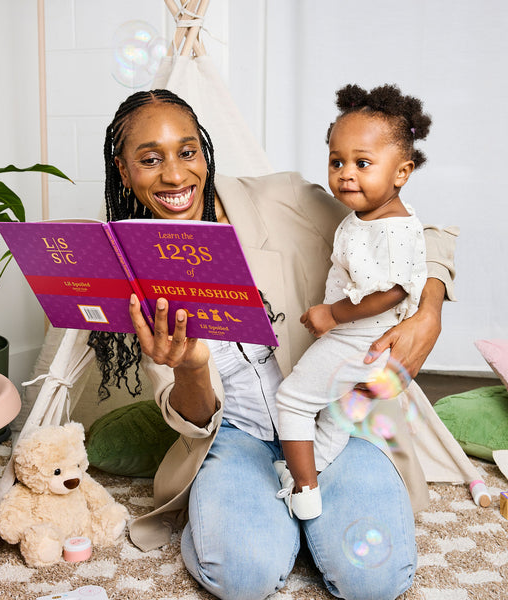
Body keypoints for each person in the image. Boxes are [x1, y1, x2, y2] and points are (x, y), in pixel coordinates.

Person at [87, 88, 457, 600]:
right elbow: (192, 417)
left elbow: (423, 233)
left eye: (188, 152)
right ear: (124, 171)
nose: (174, 176)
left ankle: (300, 516)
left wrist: (429, 312)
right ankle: (269, 522)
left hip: (334, 417)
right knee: (240, 579)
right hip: (235, 434)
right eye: (150, 160)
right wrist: (193, 367)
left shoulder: (281, 198)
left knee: (375, 582)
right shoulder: (127, 262)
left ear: (205, 152)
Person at [274, 84, 431, 521]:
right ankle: (313, 469)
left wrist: (331, 314)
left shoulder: (394, 228)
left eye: (363, 163)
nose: (346, 173)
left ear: (401, 172)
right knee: (341, 414)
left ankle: (303, 490)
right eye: (337, 161)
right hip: (364, 341)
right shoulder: (369, 217)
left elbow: (395, 291)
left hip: (360, 337)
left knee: (293, 401)